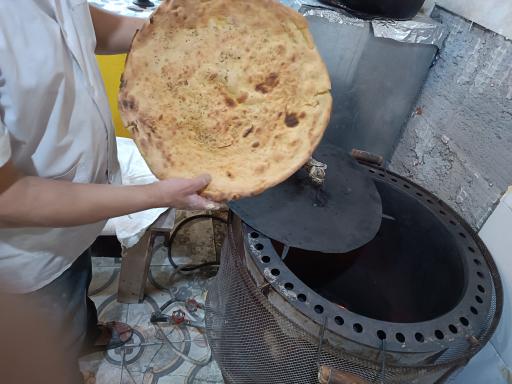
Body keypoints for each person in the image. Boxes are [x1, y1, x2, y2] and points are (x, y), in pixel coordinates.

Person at [0, 2, 218, 382]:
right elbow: (11, 197)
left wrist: (173, 32)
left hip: (79, 209)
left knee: (77, 285)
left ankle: (86, 334)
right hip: (31, 254)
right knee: (49, 342)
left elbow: (87, 25)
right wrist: (160, 194)